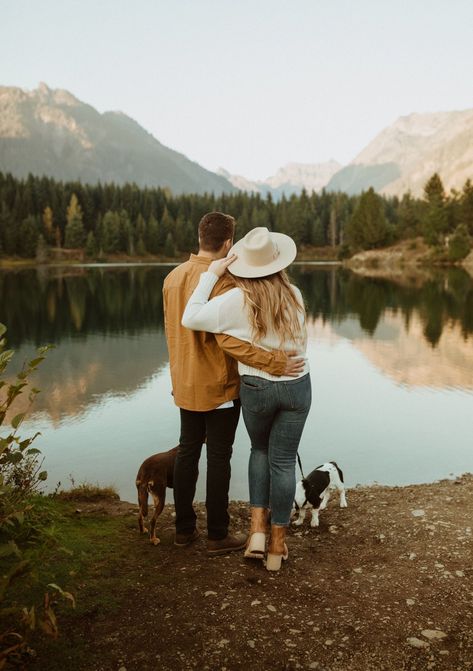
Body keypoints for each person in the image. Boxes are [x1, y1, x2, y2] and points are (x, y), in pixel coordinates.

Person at [162, 213, 305, 556]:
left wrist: (178, 377)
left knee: (186, 451)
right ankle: (217, 534)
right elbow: (230, 342)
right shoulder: (227, 282)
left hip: (185, 382)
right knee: (219, 457)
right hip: (221, 385)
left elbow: (174, 333)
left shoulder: (172, 278)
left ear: (200, 237)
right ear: (228, 244)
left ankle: (183, 530)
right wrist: (275, 362)